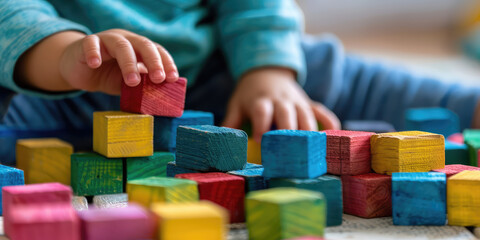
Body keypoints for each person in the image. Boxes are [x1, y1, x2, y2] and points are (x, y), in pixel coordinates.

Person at [0, 0, 479, 165]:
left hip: (229, 65)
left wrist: (269, 70)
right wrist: (63, 56)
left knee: (332, 73)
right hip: (56, 87)